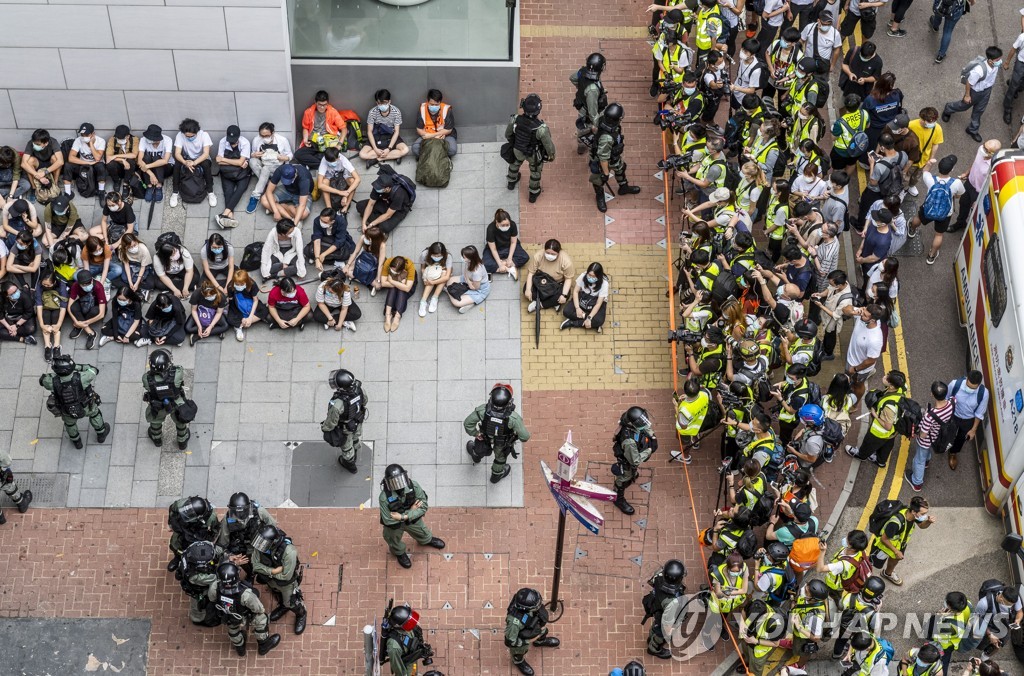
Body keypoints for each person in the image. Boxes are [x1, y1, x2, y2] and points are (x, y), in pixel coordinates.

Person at [379, 464, 445, 568]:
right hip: (394, 525)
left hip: (409, 519)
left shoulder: (413, 486)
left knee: (423, 532)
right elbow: (388, 520)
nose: (399, 484)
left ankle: (426, 540)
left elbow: (423, 506)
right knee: (393, 540)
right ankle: (399, 553)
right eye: (394, 482)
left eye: (400, 479)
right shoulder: (384, 497)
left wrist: (404, 516)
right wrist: (412, 511)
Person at [209, 561, 281, 657]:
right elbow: (258, 609)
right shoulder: (245, 594)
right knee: (262, 618)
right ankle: (263, 645)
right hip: (244, 616)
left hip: (227, 615)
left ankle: (240, 648)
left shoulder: (214, 587)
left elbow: (212, 598)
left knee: (233, 630)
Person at [39, 354, 110, 449]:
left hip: (66, 410)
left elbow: (42, 380)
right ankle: (101, 435)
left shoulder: (51, 381)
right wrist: (76, 366)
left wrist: (57, 374)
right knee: (95, 414)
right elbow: (94, 370)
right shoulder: (82, 377)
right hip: (86, 406)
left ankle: (77, 442)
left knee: (70, 424)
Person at [464, 384, 531, 483]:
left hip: (485, 436)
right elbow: (525, 437)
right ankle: (496, 476)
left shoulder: (483, 410)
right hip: (502, 442)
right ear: (509, 403)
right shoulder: (514, 418)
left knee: (479, 446)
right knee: (500, 458)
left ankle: (476, 456)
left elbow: (467, 423)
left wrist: (476, 433)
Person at [250, 524, 307, 635]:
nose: (259, 546)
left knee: (291, 602)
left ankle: (301, 614)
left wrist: (265, 570)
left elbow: (286, 576)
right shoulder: (261, 544)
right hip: (272, 579)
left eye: (263, 544)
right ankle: (283, 606)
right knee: (276, 592)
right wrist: (273, 571)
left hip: (286, 583)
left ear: (274, 542)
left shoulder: (289, 552)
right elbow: (255, 565)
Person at [846, 369, 907, 468]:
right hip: (892, 432)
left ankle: (861, 455)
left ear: (891, 386)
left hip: (879, 432)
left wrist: (875, 415)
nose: (884, 377)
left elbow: (887, 426)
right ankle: (880, 461)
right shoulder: (901, 388)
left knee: (868, 444)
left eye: (887, 377)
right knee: (887, 445)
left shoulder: (889, 407)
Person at [909, 155, 964, 265]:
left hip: (928, 208)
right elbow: (958, 196)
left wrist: (929, 163)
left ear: (938, 167)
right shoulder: (956, 183)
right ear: (952, 169)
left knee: (918, 218)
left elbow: (925, 171)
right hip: (945, 213)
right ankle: (931, 256)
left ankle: (911, 230)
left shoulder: (930, 179)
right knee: (939, 235)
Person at [589, 103, 642, 213]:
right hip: (601, 161)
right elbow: (603, 158)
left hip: (613, 157)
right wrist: (606, 173)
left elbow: (594, 124)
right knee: (598, 180)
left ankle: (623, 187)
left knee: (621, 169)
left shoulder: (603, 117)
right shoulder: (607, 138)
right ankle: (600, 196)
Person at [943, 46, 1003, 143]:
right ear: (991, 60)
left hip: (986, 91)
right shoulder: (979, 70)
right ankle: (948, 108)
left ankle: (972, 130)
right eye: (998, 60)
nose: (1000, 61)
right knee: (963, 106)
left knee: (979, 111)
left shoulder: (995, 66)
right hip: (975, 92)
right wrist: (967, 95)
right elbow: (969, 83)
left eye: (1000, 58)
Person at [505, 94, 556, 204]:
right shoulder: (541, 129)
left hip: (517, 149)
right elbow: (549, 146)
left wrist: (515, 142)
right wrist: (551, 156)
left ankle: (511, 182)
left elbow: (508, 134)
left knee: (514, 163)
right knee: (535, 172)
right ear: (538, 110)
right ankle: (533, 193)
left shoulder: (515, 119)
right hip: (534, 154)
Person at [905, 380, 954, 492]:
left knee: (918, 460)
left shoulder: (930, 416)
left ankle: (917, 483)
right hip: (938, 436)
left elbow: (923, 435)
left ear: (932, 394)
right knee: (926, 454)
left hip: (926, 440)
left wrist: (916, 433)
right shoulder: (952, 403)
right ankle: (927, 462)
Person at [611, 407, 657, 515]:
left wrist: (652, 435)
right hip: (627, 460)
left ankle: (633, 474)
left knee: (632, 472)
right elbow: (635, 460)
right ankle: (618, 498)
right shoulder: (629, 442)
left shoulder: (628, 419)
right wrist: (650, 450)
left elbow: (644, 426)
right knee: (623, 478)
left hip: (631, 452)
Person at [143, 349, 193, 449]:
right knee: (180, 420)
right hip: (176, 402)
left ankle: (157, 439)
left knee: (156, 421)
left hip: (158, 405)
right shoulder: (177, 373)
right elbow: (178, 367)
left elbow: (148, 388)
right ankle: (182, 441)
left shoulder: (146, 378)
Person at [321, 369, 368, 473]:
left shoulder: (338, 403)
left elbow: (331, 422)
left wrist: (324, 428)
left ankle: (349, 464)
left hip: (345, 428)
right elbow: (364, 401)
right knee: (356, 437)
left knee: (346, 447)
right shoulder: (358, 389)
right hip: (358, 420)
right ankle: (355, 448)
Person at [505, 588, 560, 676]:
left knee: (543, 630)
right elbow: (510, 642)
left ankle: (539, 642)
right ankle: (518, 661)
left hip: (530, 621)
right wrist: (529, 641)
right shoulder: (514, 623)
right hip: (520, 637)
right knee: (519, 650)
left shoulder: (524, 600)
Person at [216, 492, 276, 569]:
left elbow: (272, 526)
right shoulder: (227, 519)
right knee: (230, 561)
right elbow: (223, 542)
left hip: (258, 544)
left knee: (268, 560)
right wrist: (229, 556)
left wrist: (266, 539)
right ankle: (248, 572)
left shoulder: (259, 511)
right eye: (235, 512)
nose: (239, 516)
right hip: (240, 546)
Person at [951, 139, 1000, 233]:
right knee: (963, 203)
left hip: (978, 193)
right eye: (984, 146)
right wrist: (967, 173)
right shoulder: (981, 150)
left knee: (975, 213)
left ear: (993, 154)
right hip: (969, 183)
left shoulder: (992, 167)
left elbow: (990, 185)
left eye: (986, 150)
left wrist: (979, 199)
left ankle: (970, 232)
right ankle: (960, 223)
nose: (983, 149)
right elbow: (975, 163)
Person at [946, 370, 990, 471]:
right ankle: (943, 444)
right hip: (953, 414)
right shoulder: (955, 384)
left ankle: (953, 453)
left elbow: (979, 413)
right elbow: (946, 398)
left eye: (972, 388)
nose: (969, 389)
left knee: (961, 438)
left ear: (979, 385)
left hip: (967, 420)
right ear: (966, 379)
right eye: (968, 386)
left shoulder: (984, 394)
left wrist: (973, 430)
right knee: (947, 432)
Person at [247, 122, 294, 214]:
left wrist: (284, 157)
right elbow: (252, 154)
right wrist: (254, 155)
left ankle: (256, 195)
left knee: (266, 169)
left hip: (277, 167)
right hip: (264, 164)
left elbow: (290, 155)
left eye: (267, 135)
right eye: (262, 135)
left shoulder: (282, 140)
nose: (264, 138)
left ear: (273, 133)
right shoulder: (257, 140)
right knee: (252, 161)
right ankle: (269, 184)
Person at [644, 560, 687, 659]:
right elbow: (668, 624)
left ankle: (651, 638)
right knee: (661, 633)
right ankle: (654, 649)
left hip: (658, 608)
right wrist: (669, 632)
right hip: (665, 615)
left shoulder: (658, 576)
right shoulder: (672, 602)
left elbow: (652, 582)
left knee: (656, 625)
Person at [295, 90, 347, 170]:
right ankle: (325, 164)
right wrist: (305, 139)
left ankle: (314, 163)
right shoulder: (308, 112)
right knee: (298, 155)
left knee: (331, 155)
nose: (322, 107)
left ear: (328, 103)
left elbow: (344, 129)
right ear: (315, 102)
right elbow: (305, 127)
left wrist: (339, 144)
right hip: (313, 141)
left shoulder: (333, 112)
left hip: (327, 142)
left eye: (324, 105)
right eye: (320, 105)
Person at [175, 539, 222, 627]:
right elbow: (214, 578)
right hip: (196, 589)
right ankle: (197, 619)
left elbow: (213, 547)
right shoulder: (193, 575)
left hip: (198, 580)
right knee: (198, 604)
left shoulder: (193, 549)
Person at [170, 118, 215, 208]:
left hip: (200, 158)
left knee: (206, 165)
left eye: (192, 136)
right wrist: (185, 162)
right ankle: (175, 192)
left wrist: (194, 163)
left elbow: (206, 154)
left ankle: (210, 192)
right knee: (177, 164)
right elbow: (177, 153)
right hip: (187, 159)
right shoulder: (180, 135)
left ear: (196, 132)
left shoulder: (204, 135)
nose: (190, 138)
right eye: (187, 136)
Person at [166, 495, 219, 572]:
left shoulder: (211, 517)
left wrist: (210, 541)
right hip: (182, 528)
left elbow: (215, 529)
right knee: (175, 545)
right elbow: (172, 509)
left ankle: (193, 564)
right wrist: (170, 524)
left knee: (197, 552)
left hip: (198, 534)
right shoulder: (181, 504)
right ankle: (177, 559)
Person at [360, 89, 410, 169]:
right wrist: (375, 149)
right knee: (362, 154)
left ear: (389, 102)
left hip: (391, 135)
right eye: (380, 103)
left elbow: (396, 132)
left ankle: (377, 159)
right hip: (376, 135)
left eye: (385, 103)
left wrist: (389, 149)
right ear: (377, 103)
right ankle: (394, 155)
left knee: (405, 150)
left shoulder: (396, 111)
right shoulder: (372, 112)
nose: (382, 105)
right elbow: (369, 132)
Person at [214, 125, 251, 229]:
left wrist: (224, 160)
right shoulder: (222, 142)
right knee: (228, 192)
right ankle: (229, 217)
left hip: (242, 173)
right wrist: (238, 163)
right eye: (230, 141)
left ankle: (224, 215)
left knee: (241, 189)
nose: (232, 143)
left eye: (234, 141)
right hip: (227, 173)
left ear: (239, 137)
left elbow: (239, 162)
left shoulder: (245, 143)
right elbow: (218, 161)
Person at [787, 579, 830, 667]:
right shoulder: (810, 598)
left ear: (813, 599)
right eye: (807, 585)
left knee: (803, 652)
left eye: (807, 591)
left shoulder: (816, 617)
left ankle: (800, 666)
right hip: (798, 631)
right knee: (796, 645)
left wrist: (798, 627)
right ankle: (794, 645)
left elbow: (816, 637)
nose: (804, 588)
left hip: (804, 637)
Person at [382, 603, 434, 676]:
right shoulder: (394, 646)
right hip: (407, 669)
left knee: (414, 670)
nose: (412, 623)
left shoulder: (406, 626)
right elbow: (398, 669)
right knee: (412, 673)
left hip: (412, 661)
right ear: (399, 626)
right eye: (408, 623)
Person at [524, 239, 574, 314]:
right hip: (541, 280)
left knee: (564, 296)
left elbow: (568, 279)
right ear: (544, 250)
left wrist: (564, 295)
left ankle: (540, 304)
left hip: (557, 284)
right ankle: (552, 303)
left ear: (558, 252)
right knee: (525, 289)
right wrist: (528, 289)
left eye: (553, 254)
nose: (550, 255)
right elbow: (531, 273)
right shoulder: (538, 256)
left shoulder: (566, 262)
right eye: (547, 253)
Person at [572, 53, 608, 152]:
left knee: (581, 126)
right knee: (586, 128)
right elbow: (593, 113)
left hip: (582, 106)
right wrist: (596, 125)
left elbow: (573, 78)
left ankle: (581, 143)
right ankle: (583, 145)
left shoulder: (583, 71)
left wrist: (582, 88)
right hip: (587, 111)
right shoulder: (592, 90)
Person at [560, 261, 609, 332]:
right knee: (566, 311)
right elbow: (576, 292)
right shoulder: (583, 276)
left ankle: (573, 323)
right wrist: (577, 308)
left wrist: (589, 318)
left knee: (599, 321)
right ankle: (591, 323)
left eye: (593, 276)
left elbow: (598, 303)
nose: (590, 277)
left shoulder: (604, 284)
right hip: (583, 297)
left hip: (595, 301)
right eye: (589, 275)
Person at [63, 122, 107, 198]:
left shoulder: (101, 141)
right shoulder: (78, 140)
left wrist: (91, 144)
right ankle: (67, 193)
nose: (84, 137)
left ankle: (101, 192)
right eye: (82, 135)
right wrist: (87, 163)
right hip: (83, 165)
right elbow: (71, 158)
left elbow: (97, 158)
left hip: (96, 167)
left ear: (93, 134)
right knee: (67, 165)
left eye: (86, 135)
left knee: (100, 166)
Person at [906, 108, 944, 196]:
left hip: (923, 160)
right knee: (905, 175)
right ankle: (902, 188)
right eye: (930, 121)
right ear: (922, 119)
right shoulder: (911, 125)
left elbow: (935, 144)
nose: (932, 124)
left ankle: (911, 186)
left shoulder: (937, 128)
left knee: (917, 176)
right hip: (910, 158)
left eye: (934, 121)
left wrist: (931, 159)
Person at [34, 264, 68, 362]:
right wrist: (42, 325)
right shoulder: (39, 286)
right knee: (45, 317)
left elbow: (63, 307)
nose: (45, 286)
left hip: (57, 307)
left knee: (56, 317)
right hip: (45, 307)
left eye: (48, 285)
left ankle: (56, 346)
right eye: (44, 284)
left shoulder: (61, 285)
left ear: (54, 283)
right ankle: (47, 346)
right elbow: (39, 306)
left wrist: (58, 325)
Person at [67, 269, 106, 350]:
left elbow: (101, 314)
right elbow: (69, 307)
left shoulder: (98, 286)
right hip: (84, 303)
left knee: (95, 311)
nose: (87, 285)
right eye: (84, 284)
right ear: (79, 284)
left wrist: (83, 323)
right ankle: (91, 333)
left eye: (89, 283)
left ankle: (80, 327)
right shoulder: (75, 286)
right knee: (73, 307)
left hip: (96, 307)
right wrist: (76, 322)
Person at [674, 378, 711, 464]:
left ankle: (685, 457)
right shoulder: (704, 394)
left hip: (687, 430)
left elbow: (683, 425)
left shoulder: (684, 409)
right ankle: (696, 441)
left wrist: (676, 407)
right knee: (696, 432)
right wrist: (688, 397)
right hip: (699, 423)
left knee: (686, 443)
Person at [306, 207, 354, 273]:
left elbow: (339, 241)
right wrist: (317, 258)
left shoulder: (341, 222)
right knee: (307, 250)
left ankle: (334, 262)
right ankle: (321, 259)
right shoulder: (316, 221)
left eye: (324, 222)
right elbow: (317, 239)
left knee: (344, 254)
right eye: (321, 220)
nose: (321, 223)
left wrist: (324, 254)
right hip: (324, 239)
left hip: (335, 240)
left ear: (332, 221)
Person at [484, 209, 530, 277]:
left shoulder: (513, 224)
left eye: (507, 225)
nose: (505, 227)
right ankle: (509, 268)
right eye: (503, 225)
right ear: (497, 222)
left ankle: (503, 264)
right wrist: (500, 264)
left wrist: (509, 258)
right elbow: (493, 249)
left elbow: (513, 242)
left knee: (525, 257)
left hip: (509, 246)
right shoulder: (490, 229)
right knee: (483, 265)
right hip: (497, 248)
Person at [21, 129, 64, 201]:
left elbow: (61, 161)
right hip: (38, 163)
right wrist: (38, 176)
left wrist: (45, 172)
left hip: (49, 163)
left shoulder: (53, 142)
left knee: (55, 158)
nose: (35, 145)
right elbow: (23, 164)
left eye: (38, 144)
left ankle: (55, 184)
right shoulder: (30, 143)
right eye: (34, 143)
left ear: (46, 143)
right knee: (29, 161)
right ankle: (34, 188)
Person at [413, 88, 458, 158]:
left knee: (452, 150)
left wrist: (433, 136)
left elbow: (449, 130)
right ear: (427, 101)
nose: (434, 106)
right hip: (427, 135)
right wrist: (429, 136)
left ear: (440, 102)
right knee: (415, 149)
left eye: (436, 105)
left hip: (444, 136)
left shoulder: (446, 109)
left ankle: (432, 154)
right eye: (431, 104)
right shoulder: (422, 109)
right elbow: (419, 129)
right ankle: (438, 154)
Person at [226, 269, 268, 341]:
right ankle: (252, 320)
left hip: (250, 302)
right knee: (230, 319)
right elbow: (231, 302)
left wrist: (250, 318)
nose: (239, 286)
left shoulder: (252, 284)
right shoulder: (230, 286)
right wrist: (241, 317)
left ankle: (241, 325)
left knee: (264, 310)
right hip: (237, 304)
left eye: (241, 284)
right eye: (237, 284)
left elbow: (255, 300)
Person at [447, 245, 490, 314]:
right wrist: (467, 279)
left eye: (464, 257)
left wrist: (469, 282)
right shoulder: (470, 262)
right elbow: (465, 271)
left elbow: (475, 288)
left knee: (456, 302)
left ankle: (448, 291)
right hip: (468, 280)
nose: (462, 258)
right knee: (450, 281)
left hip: (479, 290)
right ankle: (453, 292)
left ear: (470, 258)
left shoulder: (477, 272)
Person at [930, 0, 975, 64]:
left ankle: (935, 26)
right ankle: (940, 55)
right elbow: (972, 2)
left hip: (941, 3)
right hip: (955, 9)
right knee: (947, 31)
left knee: (938, 15)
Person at [317, 147, 360, 213]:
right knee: (324, 182)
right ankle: (329, 208)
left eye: (333, 161)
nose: (331, 163)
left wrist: (346, 193)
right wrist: (339, 192)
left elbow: (357, 179)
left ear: (338, 157)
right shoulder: (324, 161)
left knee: (353, 181)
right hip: (330, 179)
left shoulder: (343, 159)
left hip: (343, 177)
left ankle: (346, 207)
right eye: (329, 162)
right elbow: (320, 185)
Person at [186, 280, 229, 346]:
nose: (210, 297)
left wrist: (211, 326)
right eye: (208, 296)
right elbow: (194, 310)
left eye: (212, 295)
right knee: (187, 328)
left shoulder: (221, 296)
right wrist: (199, 326)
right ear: (203, 294)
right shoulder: (196, 294)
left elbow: (219, 313)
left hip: (214, 313)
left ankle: (198, 335)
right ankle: (217, 331)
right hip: (200, 312)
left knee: (225, 326)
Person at [416, 241, 453, 318]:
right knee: (430, 276)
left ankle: (434, 298)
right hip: (430, 268)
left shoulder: (448, 256)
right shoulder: (424, 254)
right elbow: (422, 268)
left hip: (443, 268)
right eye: (434, 255)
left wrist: (432, 282)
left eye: (439, 255)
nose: (436, 257)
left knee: (444, 274)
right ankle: (423, 301)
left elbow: (447, 277)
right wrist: (425, 278)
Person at [137, 124, 172, 202]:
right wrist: (151, 174)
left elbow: (165, 160)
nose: (148, 139)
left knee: (157, 158)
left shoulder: (167, 140)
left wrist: (147, 166)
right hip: (149, 170)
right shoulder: (143, 140)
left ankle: (158, 185)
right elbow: (139, 161)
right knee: (146, 157)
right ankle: (149, 185)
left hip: (165, 168)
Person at [381, 255, 416, 333]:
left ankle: (397, 316)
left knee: (401, 290)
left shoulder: (410, 266)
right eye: (392, 270)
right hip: (399, 282)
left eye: (395, 271)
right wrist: (399, 284)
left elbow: (407, 288)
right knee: (396, 288)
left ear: (402, 270)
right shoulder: (388, 262)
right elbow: (383, 283)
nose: (392, 271)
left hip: (404, 283)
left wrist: (392, 281)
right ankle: (388, 316)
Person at [117, 233, 156, 300]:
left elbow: (143, 266)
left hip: (141, 265)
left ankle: (134, 288)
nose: (133, 248)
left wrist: (137, 283)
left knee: (151, 284)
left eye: (134, 245)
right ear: (125, 246)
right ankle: (140, 290)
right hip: (130, 265)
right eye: (130, 247)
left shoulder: (143, 249)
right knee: (125, 279)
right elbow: (126, 264)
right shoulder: (122, 250)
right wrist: (130, 281)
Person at [104, 125, 137, 192]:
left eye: (121, 138)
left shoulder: (134, 140)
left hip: (129, 167)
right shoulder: (112, 139)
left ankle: (126, 183)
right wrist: (122, 159)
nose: (119, 139)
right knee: (110, 164)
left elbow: (134, 155)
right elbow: (108, 158)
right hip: (118, 166)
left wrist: (116, 156)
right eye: (118, 138)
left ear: (128, 136)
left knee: (131, 161)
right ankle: (116, 181)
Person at [1003, 29, 1024, 125]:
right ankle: (1007, 109)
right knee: (1013, 87)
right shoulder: (1022, 37)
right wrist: (1007, 62)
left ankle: (1017, 86)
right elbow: (1013, 49)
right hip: (1021, 63)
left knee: (1021, 84)